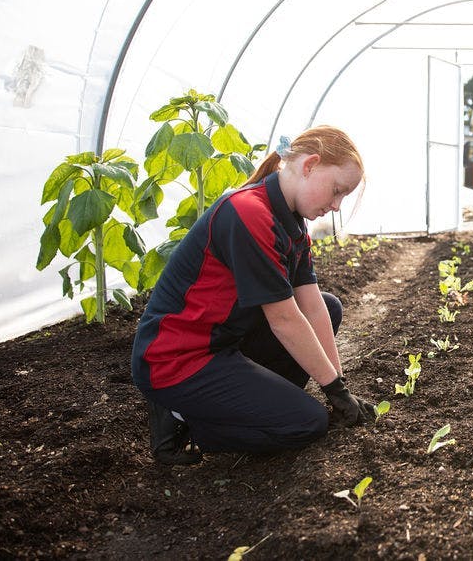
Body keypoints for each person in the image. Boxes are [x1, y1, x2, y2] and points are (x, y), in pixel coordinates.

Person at [131, 126, 375, 465]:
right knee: (307, 423)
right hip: (177, 359)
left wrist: (339, 387)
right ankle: (184, 421)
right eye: (337, 191)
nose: (336, 206)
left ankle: (247, 407)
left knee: (330, 307)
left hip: (223, 342)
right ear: (310, 165)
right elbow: (284, 320)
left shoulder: (290, 221)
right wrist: (332, 390)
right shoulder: (249, 212)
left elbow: (313, 305)